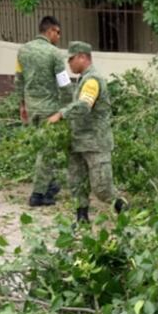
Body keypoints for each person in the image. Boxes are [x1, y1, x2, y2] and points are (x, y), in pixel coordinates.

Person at [46, 42, 125, 223]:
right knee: (77, 184)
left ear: (82, 57)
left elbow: (83, 106)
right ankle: (82, 219)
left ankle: (125, 210)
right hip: (78, 142)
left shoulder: (92, 80)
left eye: (71, 59)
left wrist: (61, 114)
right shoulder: (83, 79)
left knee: (102, 188)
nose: (69, 64)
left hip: (95, 143)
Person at [14, 16, 73, 207]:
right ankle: (38, 194)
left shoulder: (23, 51)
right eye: (58, 33)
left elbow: (19, 79)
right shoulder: (54, 54)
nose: (59, 37)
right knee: (46, 151)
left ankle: (50, 185)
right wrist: (68, 107)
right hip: (50, 109)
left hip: (32, 107)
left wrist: (22, 105)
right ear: (50, 31)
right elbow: (64, 84)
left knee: (42, 148)